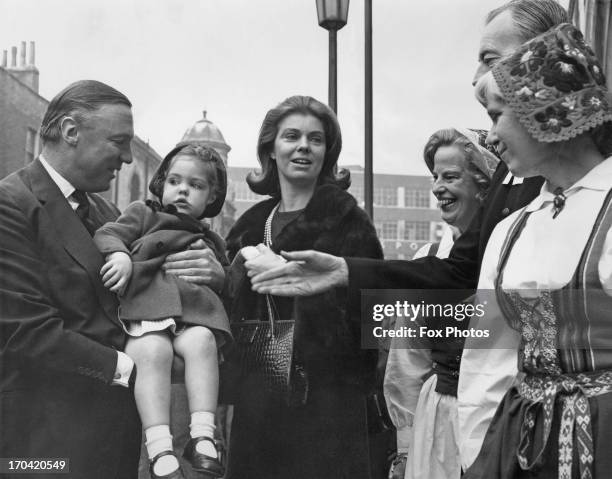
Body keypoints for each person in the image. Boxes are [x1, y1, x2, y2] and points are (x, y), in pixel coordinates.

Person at [248, 0, 567, 301]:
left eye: (490, 59)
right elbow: (461, 273)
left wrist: (426, 331)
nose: (475, 79)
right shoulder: (510, 179)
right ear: (270, 148)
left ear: (546, 57)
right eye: (291, 136)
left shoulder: (594, 186)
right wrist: (345, 271)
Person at [0, 80, 225, 479]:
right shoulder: (10, 204)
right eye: (118, 142)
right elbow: (25, 330)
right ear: (71, 132)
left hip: (111, 442)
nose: (125, 157)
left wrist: (211, 274)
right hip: (40, 443)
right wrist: (131, 367)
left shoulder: (107, 212)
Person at [462, 23, 612, 478]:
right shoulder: (511, 228)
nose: (488, 137)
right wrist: (476, 457)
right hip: (520, 442)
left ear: (544, 108)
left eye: (496, 115)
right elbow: (487, 360)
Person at [224, 95, 383, 479]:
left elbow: (374, 313)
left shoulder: (348, 220)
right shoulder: (250, 223)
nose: (303, 147)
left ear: (327, 153)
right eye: (291, 136)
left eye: (315, 139)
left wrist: (295, 284)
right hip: (257, 399)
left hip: (327, 403)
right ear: (271, 149)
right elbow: (227, 308)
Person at [93, 144, 232, 479]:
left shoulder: (210, 237)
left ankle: (202, 435)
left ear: (211, 198)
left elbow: (225, 279)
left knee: (203, 342)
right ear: (161, 184)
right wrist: (121, 256)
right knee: (151, 351)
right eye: (175, 181)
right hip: (147, 312)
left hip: (192, 317)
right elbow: (109, 233)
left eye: (196, 186)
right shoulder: (144, 213)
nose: (183, 189)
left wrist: (222, 276)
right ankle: (159, 447)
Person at [384, 128, 496, 479]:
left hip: (498, 417)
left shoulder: (511, 253)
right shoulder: (427, 257)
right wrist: (404, 447)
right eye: (435, 177)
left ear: (482, 184)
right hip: (439, 419)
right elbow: (408, 357)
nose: (437, 187)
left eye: (450, 176)